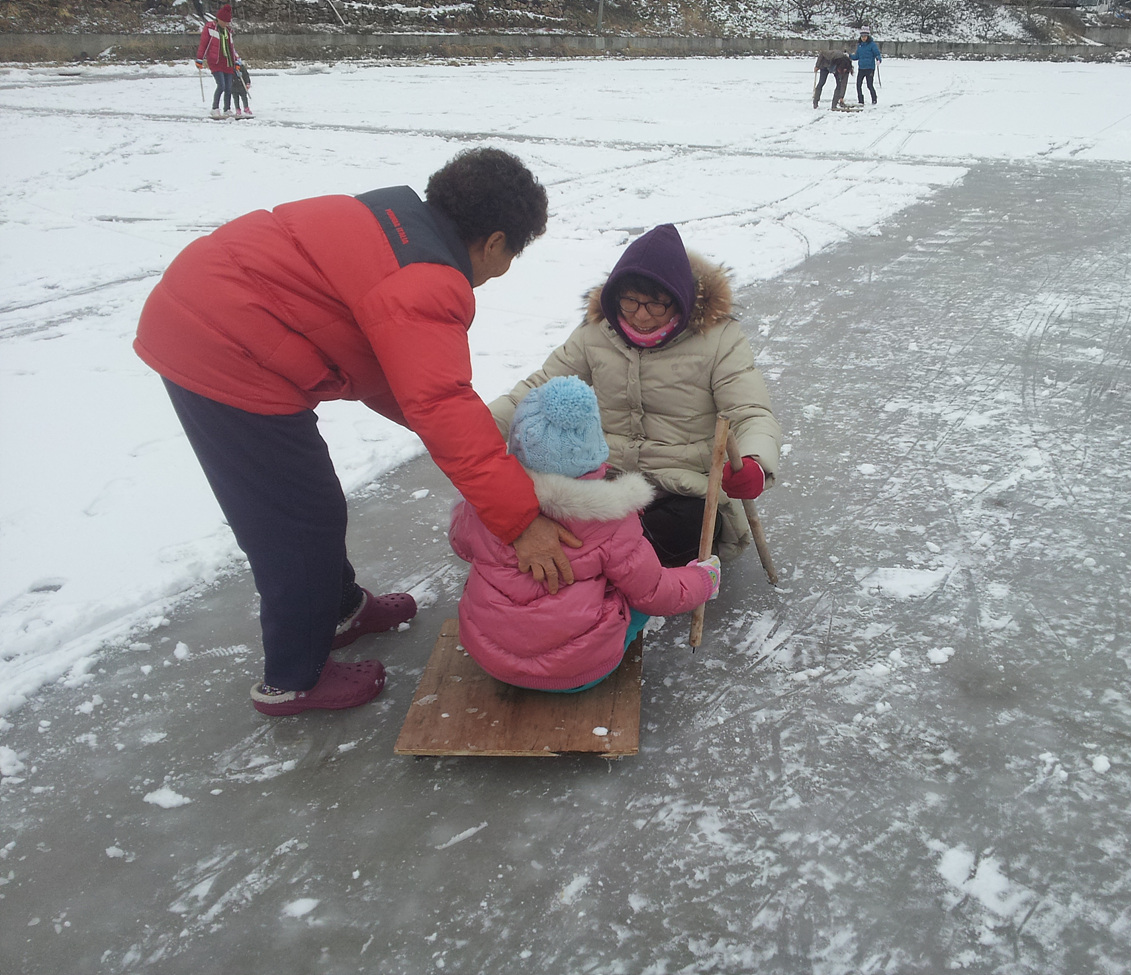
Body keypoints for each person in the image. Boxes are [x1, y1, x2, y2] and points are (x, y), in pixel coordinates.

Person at [134, 148, 578, 716]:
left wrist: (490, 446)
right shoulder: (426, 282)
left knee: (312, 502)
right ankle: (294, 679)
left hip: (218, 312)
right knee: (296, 522)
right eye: (513, 252)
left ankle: (339, 610)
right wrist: (519, 521)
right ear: (494, 242)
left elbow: (406, 383)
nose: (506, 267)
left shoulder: (395, 224)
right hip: (222, 346)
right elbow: (439, 403)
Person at [489, 224, 781, 569]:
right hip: (601, 480)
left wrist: (755, 461)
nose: (641, 315)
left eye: (657, 304)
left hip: (682, 487)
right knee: (526, 514)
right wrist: (481, 423)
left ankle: (594, 570)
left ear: (681, 299)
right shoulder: (596, 333)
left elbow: (750, 412)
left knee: (676, 531)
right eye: (629, 301)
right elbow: (538, 389)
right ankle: (593, 571)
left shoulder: (719, 340)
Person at [451, 377, 720, 692]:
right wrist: (702, 580)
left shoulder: (485, 505)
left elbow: (461, 544)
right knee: (632, 597)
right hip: (575, 675)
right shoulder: (610, 521)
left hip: (491, 658)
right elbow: (654, 592)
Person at [195, 3, 238, 120]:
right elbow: (203, 44)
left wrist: (237, 60)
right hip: (215, 62)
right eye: (224, 21)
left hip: (227, 62)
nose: (226, 24)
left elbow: (232, 48)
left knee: (229, 87)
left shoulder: (228, 32)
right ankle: (215, 108)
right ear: (219, 19)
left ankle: (227, 109)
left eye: (228, 22)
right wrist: (200, 58)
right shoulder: (210, 29)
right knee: (221, 85)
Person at [852, 30, 882, 107]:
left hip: (870, 68)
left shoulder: (872, 45)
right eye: (862, 36)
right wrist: (849, 56)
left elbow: (877, 53)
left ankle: (874, 99)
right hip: (861, 68)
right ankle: (861, 100)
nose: (863, 38)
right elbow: (856, 57)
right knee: (858, 84)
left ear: (867, 36)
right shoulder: (859, 45)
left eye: (865, 36)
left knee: (869, 85)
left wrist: (878, 59)